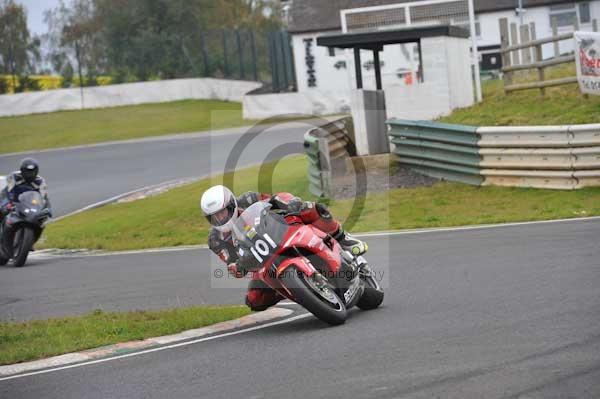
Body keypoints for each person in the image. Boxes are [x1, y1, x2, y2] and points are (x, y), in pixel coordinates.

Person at [200, 185, 367, 311]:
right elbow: (231, 261)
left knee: (308, 208)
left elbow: (273, 199)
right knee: (254, 300)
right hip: (262, 262)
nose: (219, 218)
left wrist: (287, 202)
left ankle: (343, 238)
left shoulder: (249, 199)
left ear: (232, 204)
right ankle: (294, 287)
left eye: (222, 213)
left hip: (282, 230)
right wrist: (236, 267)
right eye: (214, 217)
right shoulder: (215, 240)